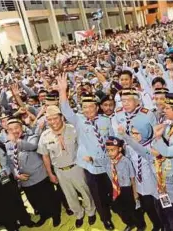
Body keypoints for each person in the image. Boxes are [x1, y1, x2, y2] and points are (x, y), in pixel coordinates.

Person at [57, 73, 115, 230]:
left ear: (97, 107)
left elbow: (112, 139)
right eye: (84, 107)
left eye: (91, 106)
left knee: (111, 189)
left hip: (108, 163)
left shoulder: (106, 120)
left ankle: (113, 207)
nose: (88, 110)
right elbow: (65, 109)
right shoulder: (78, 120)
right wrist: (63, 91)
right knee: (97, 195)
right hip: (91, 166)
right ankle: (106, 219)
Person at [37, 105, 97, 228]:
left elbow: (84, 146)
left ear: (62, 117)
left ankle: (91, 211)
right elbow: (45, 156)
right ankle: (79, 214)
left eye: (55, 118)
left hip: (77, 167)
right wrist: (50, 174)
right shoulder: (45, 136)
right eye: (49, 119)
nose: (53, 122)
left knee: (85, 191)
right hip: (60, 171)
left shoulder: (73, 129)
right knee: (69, 196)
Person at [5, 117, 61, 227]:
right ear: (7, 131)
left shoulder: (32, 137)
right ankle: (44, 215)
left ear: (22, 127)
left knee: (49, 197)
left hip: (40, 176)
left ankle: (56, 215)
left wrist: (16, 140)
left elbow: (32, 147)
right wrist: (17, 175)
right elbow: (9, 162)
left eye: (16, 128)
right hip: (25, 180)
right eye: (10, 129)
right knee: (35, 201)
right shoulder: (7, 145)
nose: (14, 131)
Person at [0, 125, 34, 231]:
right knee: (3, 207)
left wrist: (16, 174)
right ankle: (12, 226)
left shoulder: (1, 145)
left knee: (17, 200)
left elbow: (9, 162)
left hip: (9, 179)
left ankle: (25, 220)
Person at [105, 136, 146, 231]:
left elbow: (132, 178)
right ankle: (130, 223)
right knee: (120, 209)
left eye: (112, 150)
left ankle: (140, 225)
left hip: (127, 189)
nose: (110, 153)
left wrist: (135, 194)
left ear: (119, 149)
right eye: (108, 150)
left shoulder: (126, 161)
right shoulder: (107, 161)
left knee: (133, 210)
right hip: (115, 189)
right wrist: (90, 159)